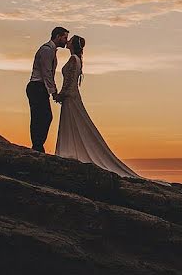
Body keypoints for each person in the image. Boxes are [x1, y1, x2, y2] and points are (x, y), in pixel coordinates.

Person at [55, 35, 169, 185]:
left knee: (74, 124)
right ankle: (70, 151)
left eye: (69, 40)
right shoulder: (78, 60)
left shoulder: (73, 60)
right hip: (72, 96)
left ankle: (68, 152)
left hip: (70, 97)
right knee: (75, 125)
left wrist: (61, 95)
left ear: (73, 45)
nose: (67, 41)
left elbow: (69, 81)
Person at [26, 26, 68, 152]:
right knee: (42, 116)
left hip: (40, 87)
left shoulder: (51, 50)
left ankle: (37, 145)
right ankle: (37, 146)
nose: (66, 41)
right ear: (58, 36)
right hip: (37, 86)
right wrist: (53, 91)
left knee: (43, 116)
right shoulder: (47, 50)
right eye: (65, 38)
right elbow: (46, 73)